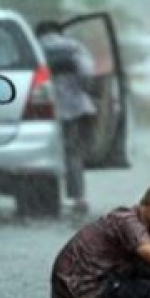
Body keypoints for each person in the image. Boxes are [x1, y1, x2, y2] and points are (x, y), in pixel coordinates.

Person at [35, 21, 95, 215]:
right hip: (76, 109)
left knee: (41, 156)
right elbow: (87, 73)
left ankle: (45, 199)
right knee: (73, 154)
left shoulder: (34, 47)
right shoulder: (73, 46)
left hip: (42, 111)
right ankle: (78, 198)